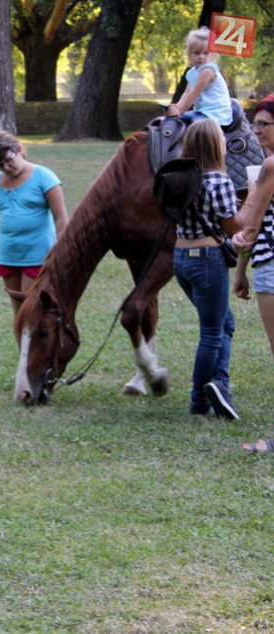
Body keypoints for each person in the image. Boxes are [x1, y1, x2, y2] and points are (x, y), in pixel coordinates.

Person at [172, 118, 241, 419]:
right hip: (208, 259)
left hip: (181, 258)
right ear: (215, 145)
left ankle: (219, 383)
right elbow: (234, 227)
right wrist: (250, 200)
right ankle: (200, 399)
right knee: (213, 332)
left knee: (224, 323)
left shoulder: (179, 177)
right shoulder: (218, 181)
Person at [0, 131, 68, 316]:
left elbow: (60, 218)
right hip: (7, 256)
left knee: (32, 310)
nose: (7, 168)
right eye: (0, 166)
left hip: (38, 255)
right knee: (19, 313)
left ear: (19, 150)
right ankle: (23, 346)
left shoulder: (44, 177)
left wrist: (60, 254)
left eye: (9, 160)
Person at [232, 94, 274, 452]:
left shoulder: (271, 166)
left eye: (263, 124)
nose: (256, 130)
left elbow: (250, 226)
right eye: (255, 123)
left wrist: (236, 243)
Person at [165, 27, 232, 127]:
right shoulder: (192, 72)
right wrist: (177, 107)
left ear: (212, 55)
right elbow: (187, 93)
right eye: (197, 53)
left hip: (216, 113)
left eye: (206, 53)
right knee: (177, 122)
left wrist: (180, 111)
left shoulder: (208, 70)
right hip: (202, 112)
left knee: (196, 127)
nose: (201, 57)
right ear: (189, 54)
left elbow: (194, 93)